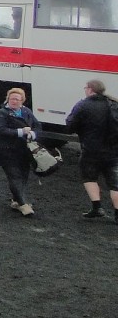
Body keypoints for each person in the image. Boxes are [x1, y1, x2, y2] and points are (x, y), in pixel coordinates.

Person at [65, 78, 118, 222]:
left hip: (90, 151)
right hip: (113, 152)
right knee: (115, 184)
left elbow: (70, 126)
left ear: (90, 89)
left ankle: (97, 207)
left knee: (89, 178)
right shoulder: (114, 104)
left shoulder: (83, 105)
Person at [0, 88, 40, 216]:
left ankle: (16, 200)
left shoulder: (26, 111)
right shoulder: (2, 113)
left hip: (23, 151)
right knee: (14, 176)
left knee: (23, 176)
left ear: (22, 101)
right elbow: (1, 130)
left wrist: (32, 134)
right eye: (12, 98)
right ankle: (23, 204)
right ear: (8, 99)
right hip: (6, 151)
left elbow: (37, 126)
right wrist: (21, 132)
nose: (14, 101)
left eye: (17, 99)